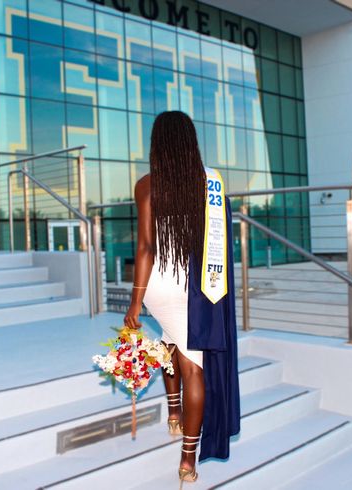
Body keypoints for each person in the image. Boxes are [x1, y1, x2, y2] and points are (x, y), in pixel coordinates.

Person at [123, 111, 240, 486]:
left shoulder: (146, 185)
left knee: (173, 342)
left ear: (157, 144)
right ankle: (188, 459)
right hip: (194, 286)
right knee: (194, 368)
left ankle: (174, 413)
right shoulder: (210, 184)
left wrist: (136, 301)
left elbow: (144, 247)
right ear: (191, 141)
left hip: (158, 285)